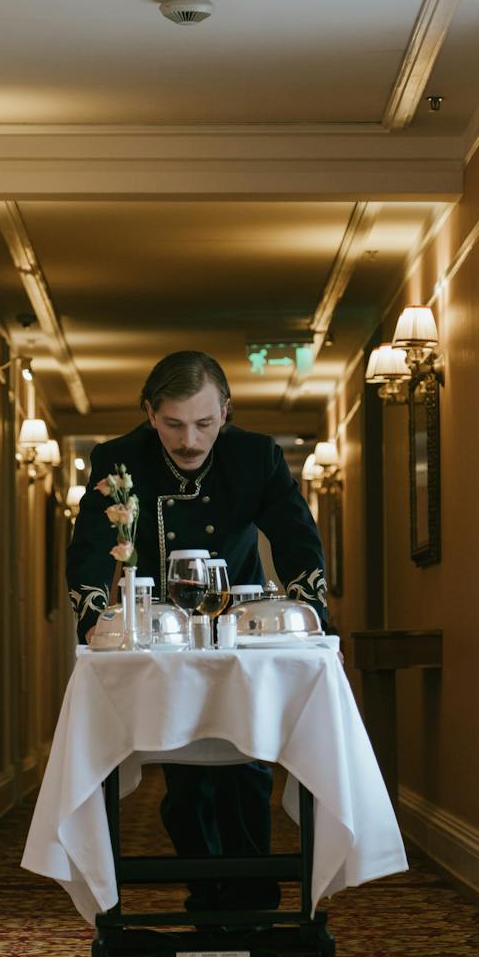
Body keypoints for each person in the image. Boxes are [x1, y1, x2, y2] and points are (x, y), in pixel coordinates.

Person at [66, 350, 333, 911]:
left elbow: (295, 537)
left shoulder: (256, 456)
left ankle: (251, 895)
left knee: (247, 768)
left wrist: (310, 615)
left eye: (205, 424)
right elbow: (91, 549)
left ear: (225, 413)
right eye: (174, 425)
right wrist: (93, 622)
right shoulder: (117, 460)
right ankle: (206, 886)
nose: (190, 440)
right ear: (149, 413)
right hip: (163, 638)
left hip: (239, 633)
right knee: (185, 778)